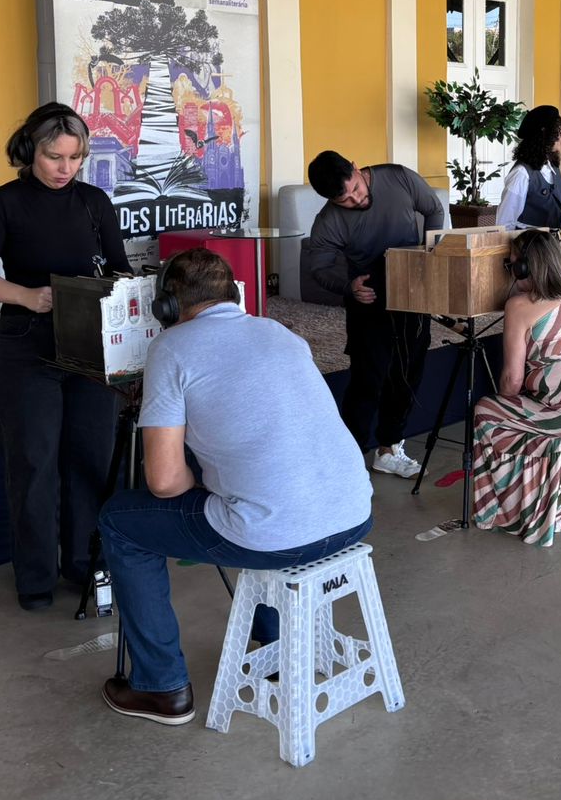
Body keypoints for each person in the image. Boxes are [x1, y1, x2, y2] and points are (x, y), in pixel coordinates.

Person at [97, 249, 372, 725]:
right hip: (353, 515)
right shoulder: (280, 332)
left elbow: (164, 482)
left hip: (278, 534)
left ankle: (161, 687)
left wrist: (200, 482)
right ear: (235, 296)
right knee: (253, 498)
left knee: (120, 522)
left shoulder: (172, 348)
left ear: (167, 307)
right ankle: (278, 646)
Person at [0, 102, 130, 612]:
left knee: (91, 459)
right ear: (30, 151)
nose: (65, 168)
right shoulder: (2, 203)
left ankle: (84, 565)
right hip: (25, 345)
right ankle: (35, 577)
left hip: (90, 347)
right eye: (55, 157)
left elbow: (119, 267)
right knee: (33, 463)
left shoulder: (95, 202)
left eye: (75, 158)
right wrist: (27, 296)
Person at [469, 230, 561, 547]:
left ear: (524, 268)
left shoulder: (519, 306)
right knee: (527, 423)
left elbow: (512, 381)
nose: (510, 270)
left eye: (511, 264)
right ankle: (540, 500)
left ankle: (513, 510)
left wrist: (510, 408)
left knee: (487, 412)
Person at [306, 151, 446, 477]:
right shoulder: (328, 221)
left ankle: (389, 448)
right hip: (367, 295)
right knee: (367, 379)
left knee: (408, 373)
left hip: (412, 288)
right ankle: (350, 458)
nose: (356, 200)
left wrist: (431, 252)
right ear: (331, 201)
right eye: (345, 200)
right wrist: (348, 286)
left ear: (356, 168)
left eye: (356, 188)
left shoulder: (399, 178)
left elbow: (434, 209)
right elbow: (319, 268)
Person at [497, 105, 561, 232]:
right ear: (545, 135)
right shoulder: (521, 173)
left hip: (552, 242)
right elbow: (504, 224)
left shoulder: (553, 168)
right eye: (558, 131)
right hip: (528, 243)